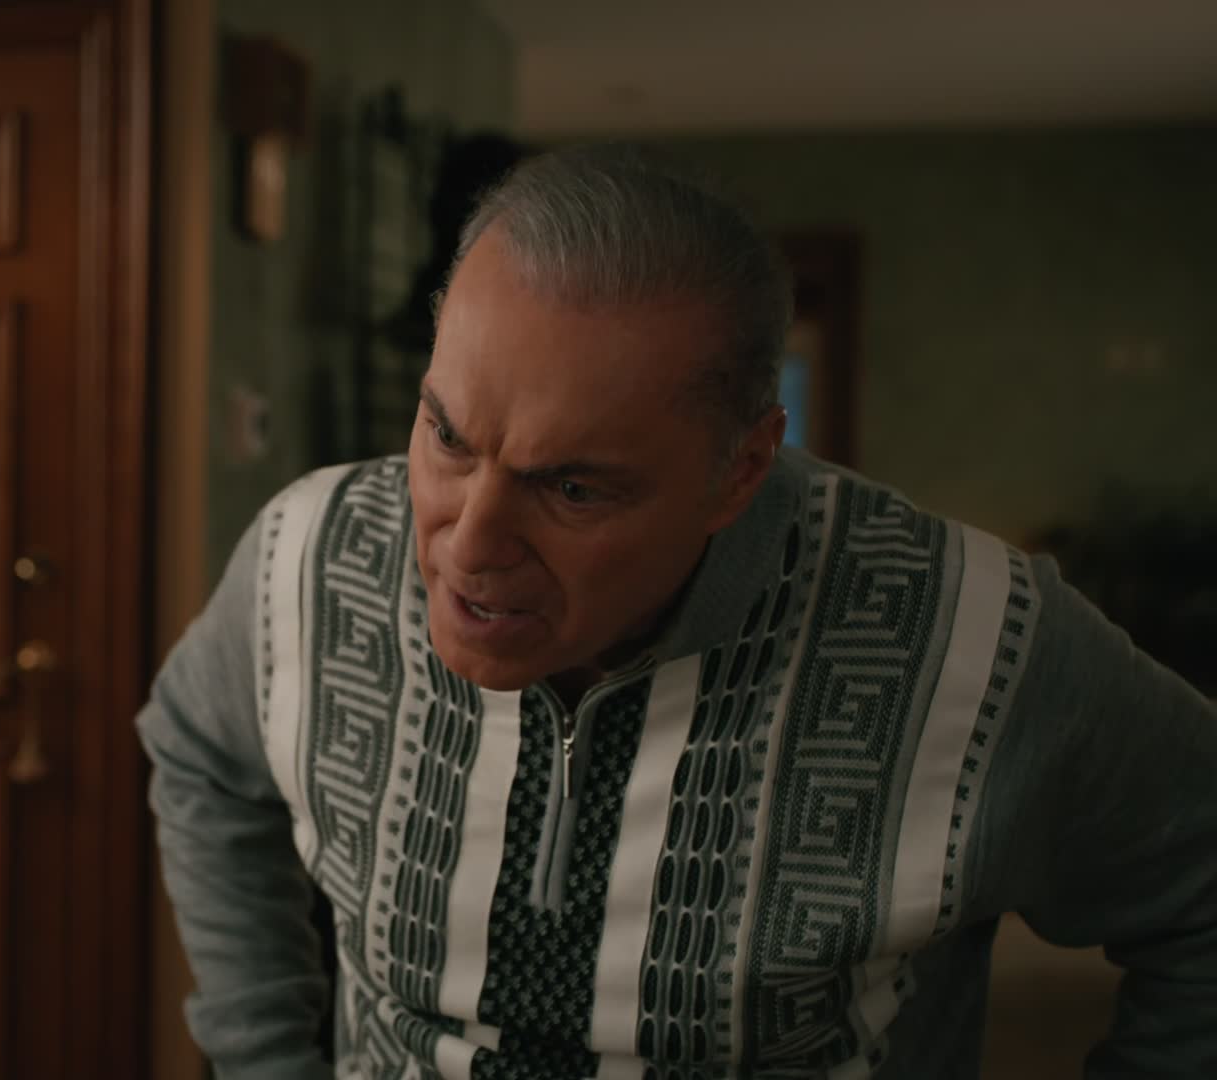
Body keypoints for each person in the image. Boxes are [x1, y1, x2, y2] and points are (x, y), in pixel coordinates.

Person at [137, 145, 1217, 1079]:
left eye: (572, 487)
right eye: (449, 437)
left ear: (739, 469)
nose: (468, 545)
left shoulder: (974, 641)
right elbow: (197, 753)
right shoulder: (309, 557)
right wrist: (264, 1057)